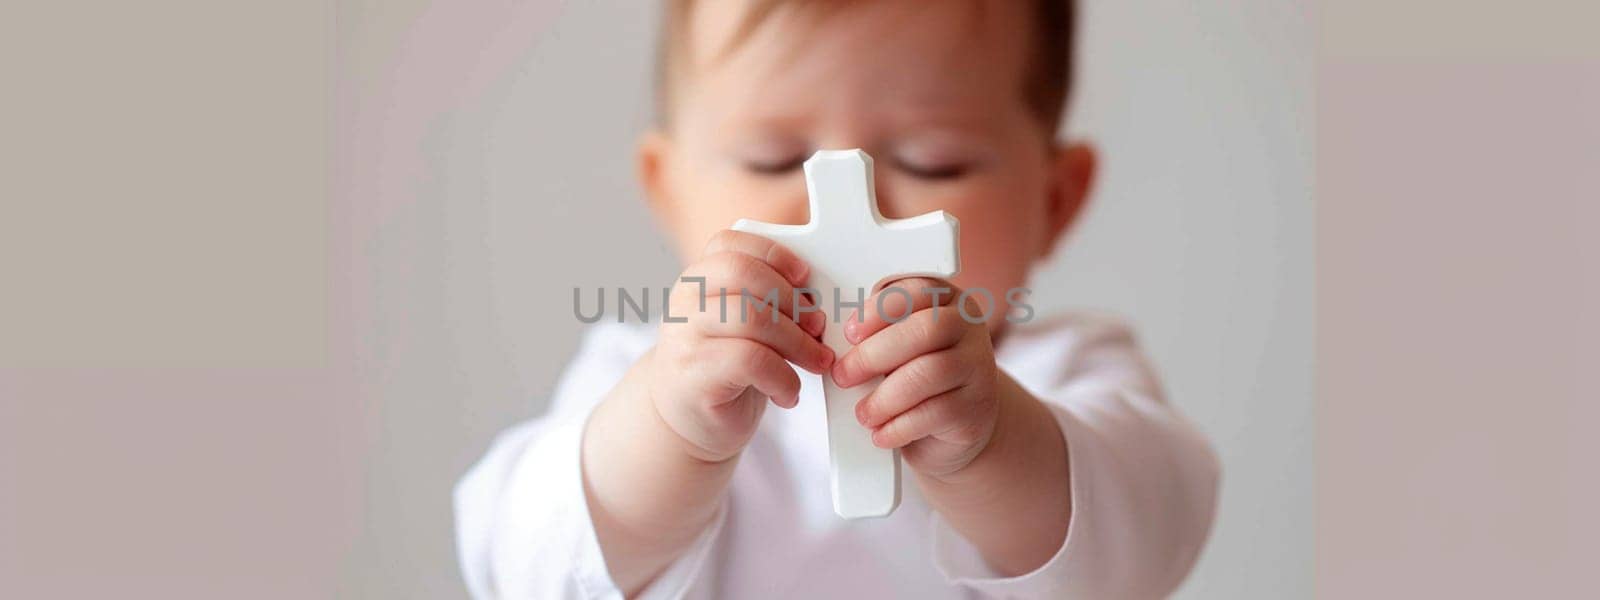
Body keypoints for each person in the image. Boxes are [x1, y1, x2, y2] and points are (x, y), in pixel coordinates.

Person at [456, 1, 1219, 598]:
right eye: (775, 157)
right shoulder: (639, 378)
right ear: (669, 192)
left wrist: (991, 447)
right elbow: (519, 561)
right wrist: (667, 432)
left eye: (933, 161)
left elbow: (1152, 536)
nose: (849, 210)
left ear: (1054, 202)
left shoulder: (1068, 369)